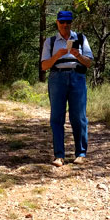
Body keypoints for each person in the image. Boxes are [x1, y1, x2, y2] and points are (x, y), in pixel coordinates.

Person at [40, 10, 93, 166]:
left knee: (79, 116)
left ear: (71, 23)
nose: (65, 25)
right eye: (62, 22)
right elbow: (44, 66)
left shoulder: (81, 38)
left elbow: (88, 63)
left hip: (77, 77)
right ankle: (59, 155)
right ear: (57, 23)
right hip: (57, 78)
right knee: (57, 117)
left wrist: (78, 55)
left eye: (68, 22)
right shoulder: (50, 42)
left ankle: (81, 153)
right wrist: (57, 55)